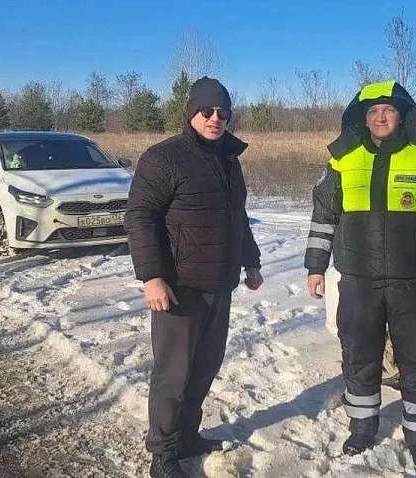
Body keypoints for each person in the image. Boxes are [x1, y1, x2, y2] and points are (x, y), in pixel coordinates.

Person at [304, 80, 416, 476]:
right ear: (362, 117)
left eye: (388, 109)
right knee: (359, 358)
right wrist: (315, 266)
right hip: (357, 282)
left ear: (402, 115)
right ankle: (362, 429)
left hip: (414, 283)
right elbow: (323, 218)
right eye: (372, 110)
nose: (380, 116)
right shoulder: (342, 161)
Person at [125, 76, 263, 478]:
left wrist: (250, 261)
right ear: (191, 114)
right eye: (206, 111)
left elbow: (238, 217)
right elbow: (140, 216)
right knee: (173, 373)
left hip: (220, 283)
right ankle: (163, 452)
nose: (215, 118)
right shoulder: (164, 157)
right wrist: (152, 276)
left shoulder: (228, 160)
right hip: (178, 287)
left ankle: (187, 435)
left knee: (205, 367)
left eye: (222, 112)